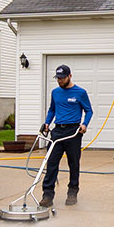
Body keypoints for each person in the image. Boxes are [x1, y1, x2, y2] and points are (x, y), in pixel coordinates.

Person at [40, 65, 93, 206]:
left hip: (73, 132)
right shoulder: (55, 92)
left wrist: (84, 124)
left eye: (62, 78)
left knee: (73, 164)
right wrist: (47, 123)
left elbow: (89, 111)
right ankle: (47, 195)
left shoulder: (80, 92)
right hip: (57, 131)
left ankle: (72, 192)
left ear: (70, 76)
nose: (60, 81)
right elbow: (52, 110)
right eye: (58, 78)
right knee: (51, 163)